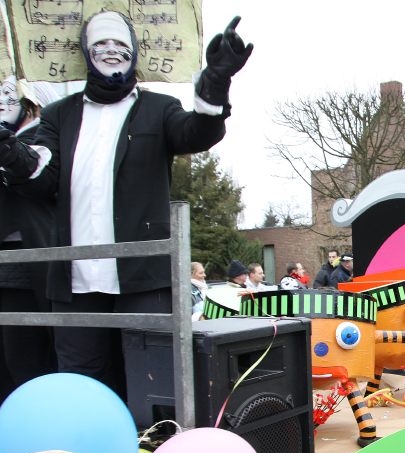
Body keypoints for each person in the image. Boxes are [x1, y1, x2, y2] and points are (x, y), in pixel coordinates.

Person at [0, 12, 251, 398]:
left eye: (119, 43)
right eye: (100, 43)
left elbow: (197, 133)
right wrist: (8, 149)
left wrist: (216, 82)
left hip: (143, 274)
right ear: (86, 52)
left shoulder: (159, 107)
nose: (110, 51)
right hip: (75, 279)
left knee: (152, 380)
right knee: (80, 384)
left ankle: (152, 439)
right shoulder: (58, 115)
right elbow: (41, 177)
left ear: (133, 51)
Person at [0, 77, 60, 398]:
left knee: (24, 360)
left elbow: (33, 174)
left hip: (24, 264)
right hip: (12, 264)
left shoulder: (43, 137)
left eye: (8, 95)